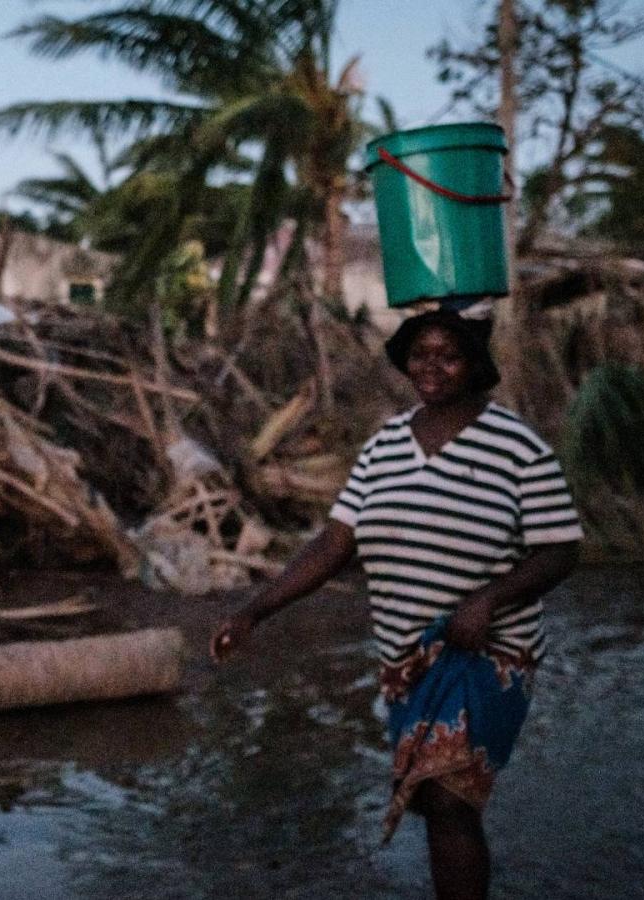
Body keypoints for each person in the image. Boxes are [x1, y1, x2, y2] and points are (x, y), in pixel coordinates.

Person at [210, 308, 582, 900]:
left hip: (487, 654)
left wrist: (488, 599)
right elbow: (336, 542)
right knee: (438, 806)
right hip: (406, 658)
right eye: (420, 353)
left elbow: (561, 548)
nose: (431, 366)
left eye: (448, 354)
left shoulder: (517, 446)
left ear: (476, 366)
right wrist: (255, 609)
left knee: (448, 799)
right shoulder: (384, 443)